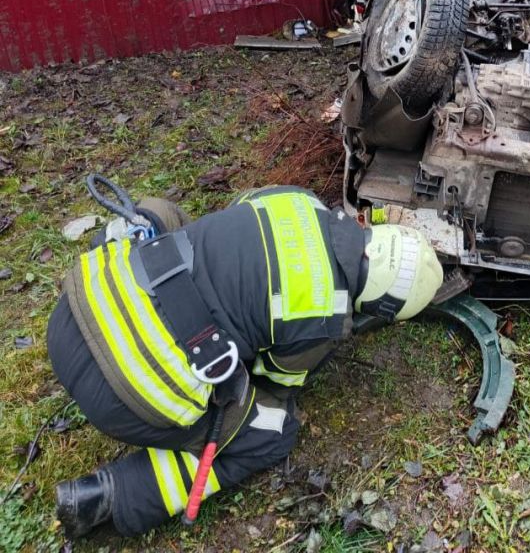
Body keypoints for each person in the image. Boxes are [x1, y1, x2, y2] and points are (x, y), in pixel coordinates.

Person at [47, 185, 443, 538]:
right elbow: (270, 383)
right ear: (382, 306)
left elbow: (236, 213)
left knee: (162, 215)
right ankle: (108, 497)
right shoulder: (327, 315)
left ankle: (118, 270)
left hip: (73, 313)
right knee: (271, 430)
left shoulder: (296, 198)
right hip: (121, 396)